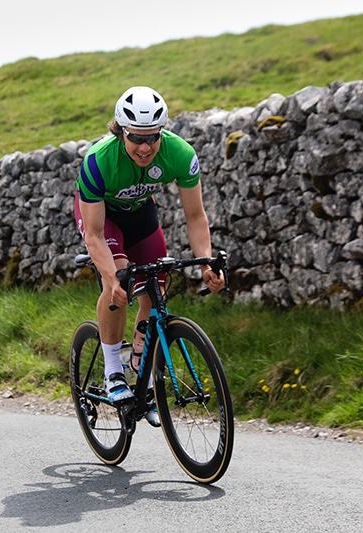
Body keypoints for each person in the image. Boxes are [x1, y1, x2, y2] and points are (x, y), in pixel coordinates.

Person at [74, 86, 225, 425]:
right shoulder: (99, 161)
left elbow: (196, 216)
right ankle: (113, 371)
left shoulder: (179, 154)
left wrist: (205, 261)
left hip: (141, 216)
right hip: (103, 220)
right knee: (122, 282)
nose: (145, 147)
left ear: (162, 133)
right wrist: (112, 278)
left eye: (152, 138)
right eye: (136, 138)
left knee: (156, 285)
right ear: (121, 131)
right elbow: (94, 235)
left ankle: (141, 367)